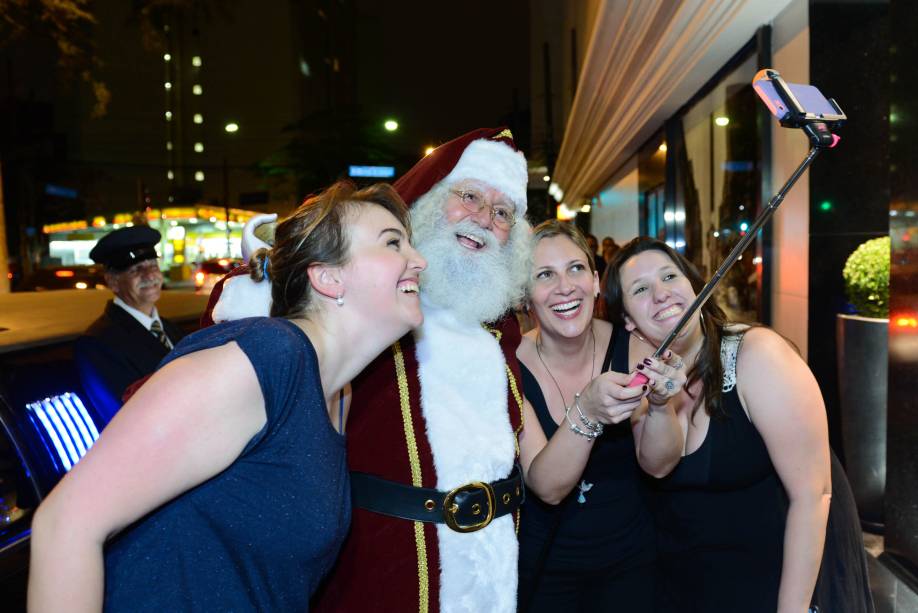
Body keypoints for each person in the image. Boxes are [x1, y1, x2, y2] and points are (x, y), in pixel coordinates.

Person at [206, 128, 638, 612]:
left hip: (493, 577)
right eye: (469, 196)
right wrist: (270, 269)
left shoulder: (500, 331)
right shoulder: (369, 304)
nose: (483, 219)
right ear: (430, 200)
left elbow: (545, 479)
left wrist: (591, 410)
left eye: (502, 213)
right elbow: (271, 323)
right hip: (381, 573)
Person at [28, 181, 427, 611]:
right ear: (328, 277)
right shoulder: (266, 358)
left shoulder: (339, 394)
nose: (419, 261)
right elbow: (66, 523)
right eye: (393, 243)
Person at [604, 236, 837, 613]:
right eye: (641, 289)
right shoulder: (636, 380)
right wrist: (658, 404)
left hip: (765, 591)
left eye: (670, 277)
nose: (661, 294)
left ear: (695, 286)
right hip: (676, 593)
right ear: (628, 320)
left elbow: (813, 495)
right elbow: (654, 465)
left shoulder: (758, 355)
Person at [516, 221, 684, 612]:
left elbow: (658, 466)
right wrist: (587, 411)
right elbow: (547, 486)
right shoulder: (509, 365)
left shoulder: (635, 348)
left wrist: (661, 404)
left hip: (631, 564)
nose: (565, 286)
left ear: (594, 281)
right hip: (543, 570)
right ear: (526, 297)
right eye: (545, 275)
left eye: (576, 269)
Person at [74, 225, 185, 423]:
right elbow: (126, 418)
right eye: (136, 270)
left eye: (153, 266)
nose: (150, 276)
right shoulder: (97, 344)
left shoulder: (171, 329)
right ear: (113, 282)